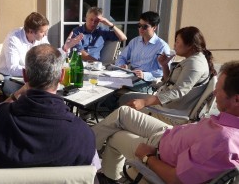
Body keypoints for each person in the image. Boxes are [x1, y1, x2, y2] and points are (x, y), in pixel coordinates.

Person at [93, 60, 239, 184]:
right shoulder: (227, 126)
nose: (214, 93)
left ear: (236, 99)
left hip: (157, 152)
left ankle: (92, 161)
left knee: (115, 136)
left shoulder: (223, 141)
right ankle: (88, 148)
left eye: (218, 90)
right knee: (123, 112)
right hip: (169, 133)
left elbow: (176, 179)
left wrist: (147, 157)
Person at [0, 44, 99, 169]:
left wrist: (16, 95)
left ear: (25, 76)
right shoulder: (83, 134)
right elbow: (91, 171)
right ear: (62, 76)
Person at [119, 26, 216, 125]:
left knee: (122, 108)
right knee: (124, 98)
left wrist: (144, 102)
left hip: (170, 112)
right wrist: (164, 65)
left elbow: (178, 92)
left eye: (177, 42)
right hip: (166, 103)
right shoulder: (191, 59)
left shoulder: (195, 64)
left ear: (190, 45)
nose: (174, 46)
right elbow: (170, 83)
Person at [0, 12, 83, 96]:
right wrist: (39, 71)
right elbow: (13, 69)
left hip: (33, 77)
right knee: (38, 92)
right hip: (10, 77)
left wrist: (65, 48)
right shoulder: (13, 39)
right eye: (43, 32)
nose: (45, 34)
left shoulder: (41, 37)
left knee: (54, 87)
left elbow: (50, 56)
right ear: (31, 31)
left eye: (46, 31)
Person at [115, 11, 170, 93]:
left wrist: (144, 75)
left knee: (111, 83)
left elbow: (163, 71)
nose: (141, 29)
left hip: (147, 82)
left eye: (145, 27)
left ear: (154, 27)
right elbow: (122, 57)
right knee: (103, 80)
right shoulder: (135, 41)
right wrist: (121, 65)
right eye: (139, 25)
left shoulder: (162, 46)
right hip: (130, 75)